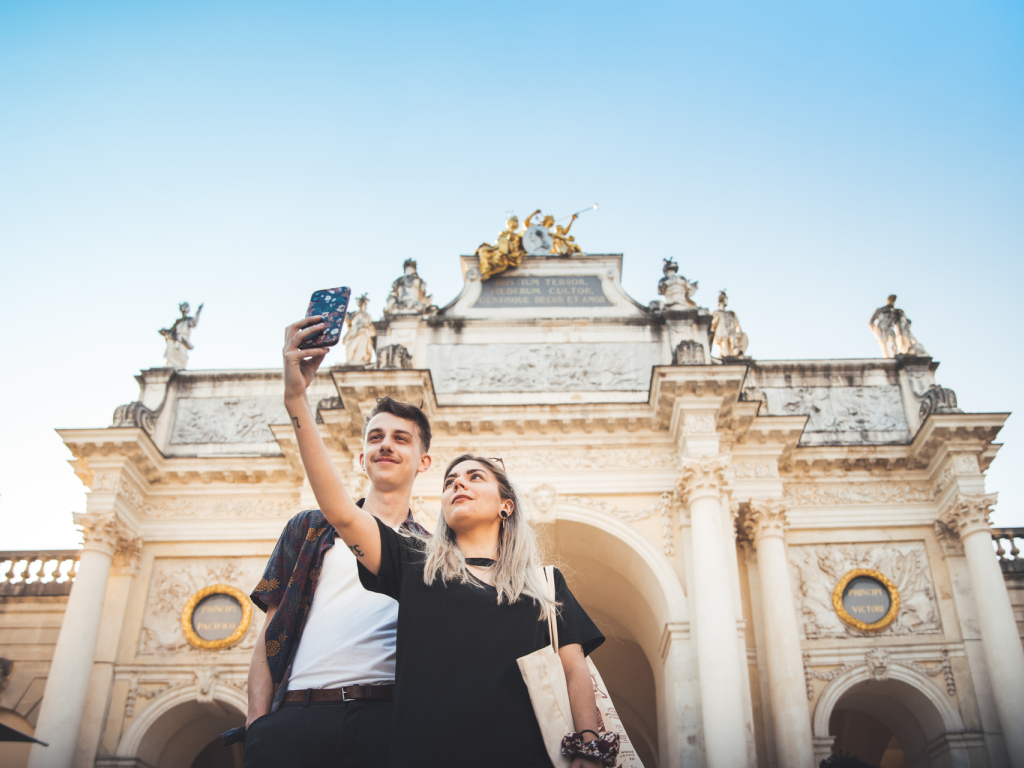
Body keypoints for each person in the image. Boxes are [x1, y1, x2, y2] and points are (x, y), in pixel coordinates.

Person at [281, 315, 614, 768]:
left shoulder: (545, 583)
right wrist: (297, 399)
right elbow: (341, 511)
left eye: (475, 477)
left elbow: (575, 670)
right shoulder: (413, 562)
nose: (459, 484)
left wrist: (589, 749)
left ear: (506, 505)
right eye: (450, 480)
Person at [238, 356, 434, 767]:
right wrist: (258, 722)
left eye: (401, 439)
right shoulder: (308, 528)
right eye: (376, 437)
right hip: (298, 717)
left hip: (386, 721)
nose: (385, 445)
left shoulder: (433, 553)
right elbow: (271, 630)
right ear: (362, 458)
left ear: (423, 461)